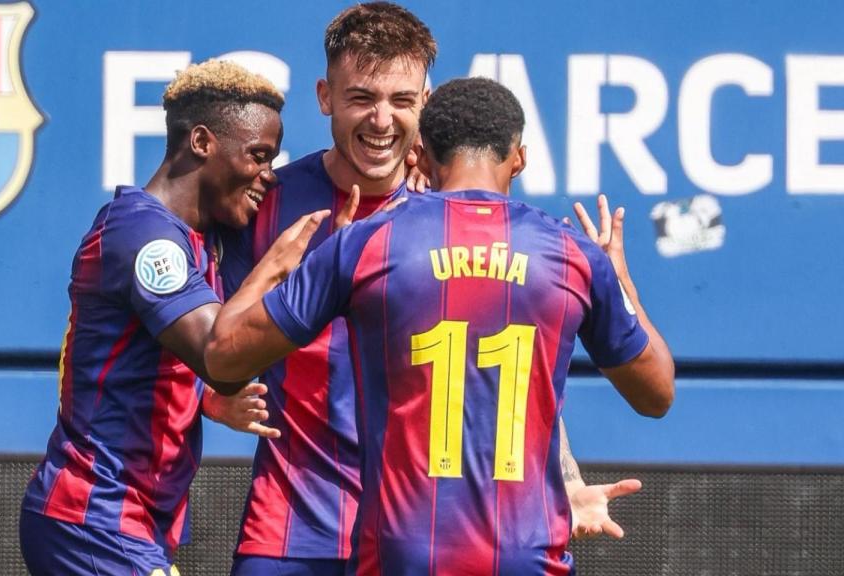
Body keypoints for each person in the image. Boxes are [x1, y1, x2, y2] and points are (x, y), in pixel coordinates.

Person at [207, 3, 638, 574]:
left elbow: (508, 368)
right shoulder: (265, 204)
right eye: (362, 98)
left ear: (425, 105)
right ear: (325, 97)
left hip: (422, 542)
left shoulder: (467, 222)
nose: (381, 120)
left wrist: (567, 478)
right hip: (292, 529)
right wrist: (211, 396)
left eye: (402, 100)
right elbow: (206, 339)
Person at [18, 60, 327, 576]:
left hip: (124, 526)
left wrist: (202, 399)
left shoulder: (197, 239)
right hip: (94, 520)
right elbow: (217, 355)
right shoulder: (146, 238)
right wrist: (276, 268)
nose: (268, 175)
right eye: (258, 156)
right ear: (202, 142)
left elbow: (142, 360)